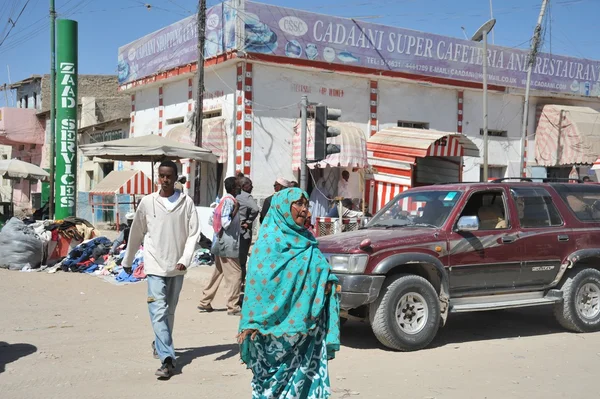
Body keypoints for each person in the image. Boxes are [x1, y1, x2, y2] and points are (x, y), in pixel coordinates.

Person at [237, 188, 341, 398]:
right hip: (271, 335)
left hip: (306, 330)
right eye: (299, 204)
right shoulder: (266, 245)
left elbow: (322, 274)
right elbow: (257, 288)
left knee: (303, 387)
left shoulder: (307, 241)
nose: (306, 211)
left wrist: (328, 283)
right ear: (282, 209)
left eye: (306, 205)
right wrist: (252, 321)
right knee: (270, 388)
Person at [123, 160, 200, 379]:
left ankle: (160, 342)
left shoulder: (186, 203)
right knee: (158, 310)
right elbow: (136, 232)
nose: (165, 180)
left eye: (169, 176)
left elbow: (194, 233)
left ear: (176, 178)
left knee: (169, 311)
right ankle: (168, 359)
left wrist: (186, 259)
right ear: (158, 177)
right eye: (162, 176)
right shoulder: (148, 202)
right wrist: (127, 261)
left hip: (177, 266)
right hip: (154, 264)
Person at [198, 176, 243, 316]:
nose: (240, 187)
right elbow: (226, 223)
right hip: (227, 244)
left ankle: (205, 301)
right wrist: (236, 210)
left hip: (219, 241)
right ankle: (233, 306)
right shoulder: (230, 202)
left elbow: (212, 219)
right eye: (238, 185)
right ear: (234, 188)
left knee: (218, 273)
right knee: (236, 274)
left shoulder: (223, 200)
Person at [236, 176, 259, 280]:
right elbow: (255, 209)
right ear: (244, 186)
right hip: (243, 230)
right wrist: (249, 221)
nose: (252, 187)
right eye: (250, 184)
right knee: (242, 259)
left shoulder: (235, 195)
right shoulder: (246, 196)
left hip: (234, 229)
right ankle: (240, 282)